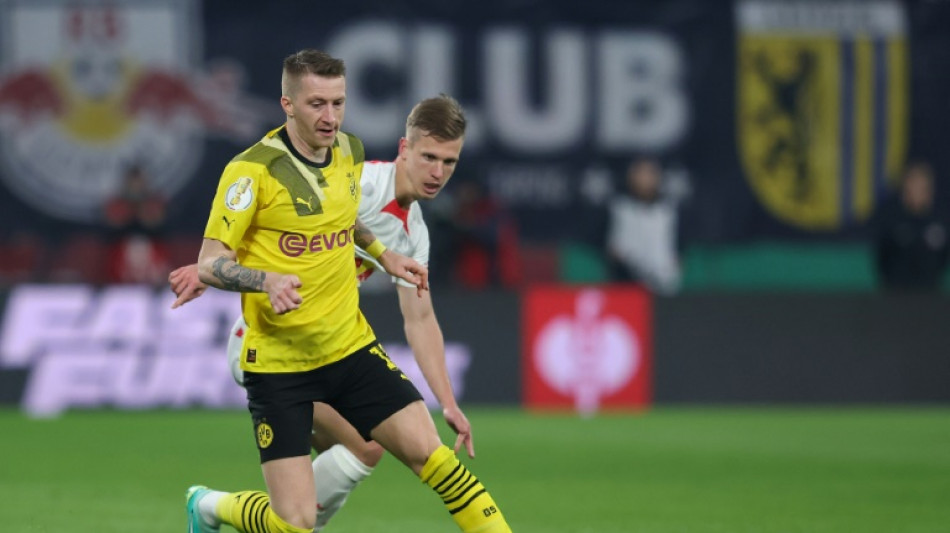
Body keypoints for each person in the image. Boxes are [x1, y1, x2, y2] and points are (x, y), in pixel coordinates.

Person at [182, 49, 512, 533]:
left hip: (346, 346)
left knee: (425, 457)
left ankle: (269, 517)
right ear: (288, 104)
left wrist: (384, 254)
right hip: (275, 352)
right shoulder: (270, 170)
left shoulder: (360, 169)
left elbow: (412, 309)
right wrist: (249, 276)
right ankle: (216, 507)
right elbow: (217, 257)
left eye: (338, 103)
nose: (330, 116)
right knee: (310, 504)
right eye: (317, 103)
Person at [605, 156, 684, 294]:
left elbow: (678, 249)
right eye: (640, 174)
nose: (645, 179)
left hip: (665, 286)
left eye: (650, 174)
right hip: (628, 287)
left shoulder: (668, 211)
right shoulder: (619, 209)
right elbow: (613, 249)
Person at [874, 160, 950, 290]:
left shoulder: (940, 222)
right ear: (905, 188)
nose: (919, 192)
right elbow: (882, 257)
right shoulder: (892, 220)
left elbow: (943, 258)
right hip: (896, 293)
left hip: (930, 293)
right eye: (914, 186)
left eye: (923, 187)